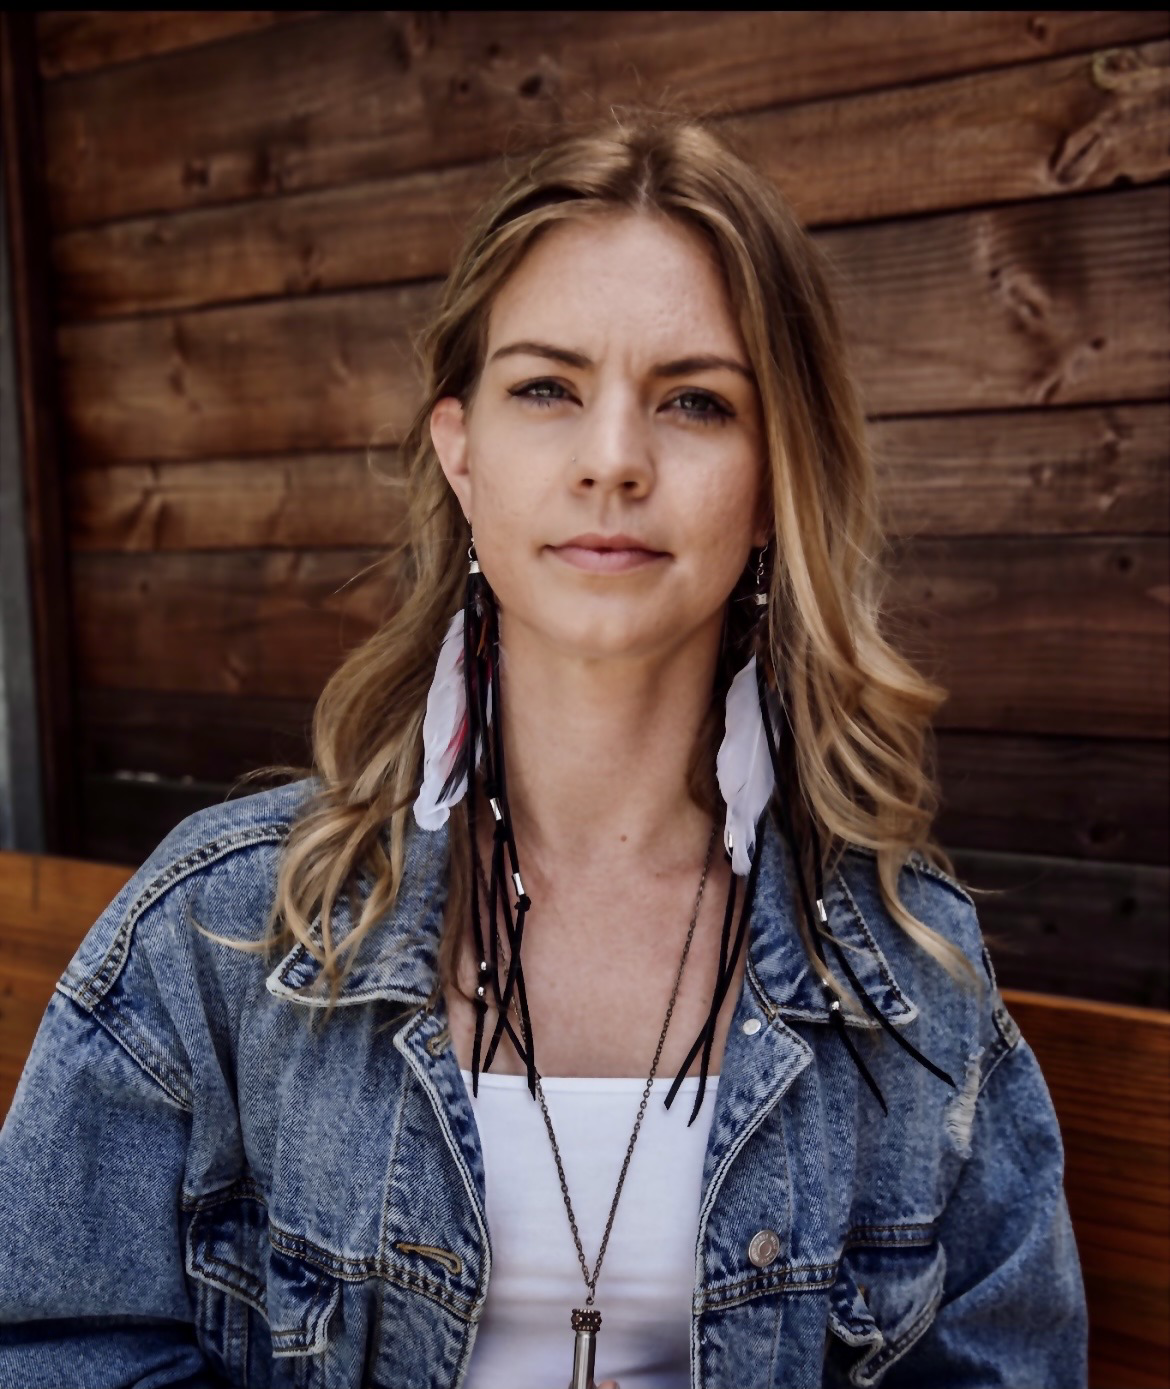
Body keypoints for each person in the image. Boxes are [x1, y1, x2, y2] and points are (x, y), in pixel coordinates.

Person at [0, 107, 1086, 1389]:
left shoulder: (912, 988)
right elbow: (60, 1353)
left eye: (694, 401)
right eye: (546, 390)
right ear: (461, 451)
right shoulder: (219, 934)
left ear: (774, 477)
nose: (614, 461)